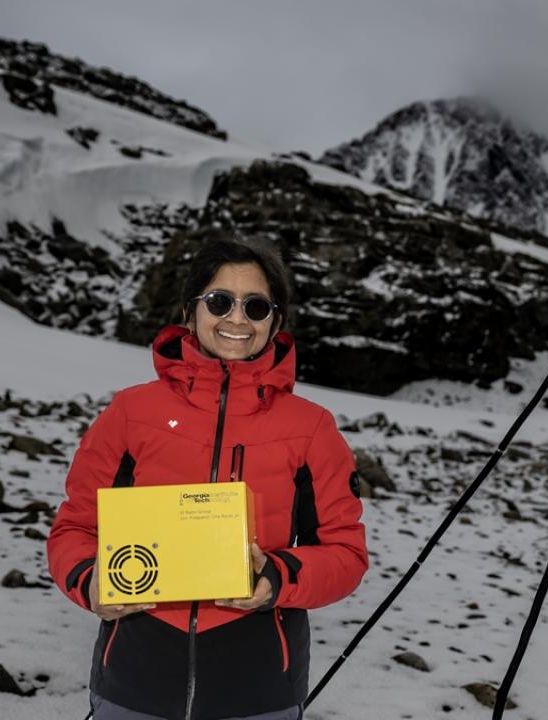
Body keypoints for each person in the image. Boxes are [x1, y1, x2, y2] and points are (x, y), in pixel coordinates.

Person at [48, 239, 369, 720]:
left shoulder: (312, 427)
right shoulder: (130, 413)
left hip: (259, 689)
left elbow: (345, 554)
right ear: (190, 310)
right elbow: (74, 528)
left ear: (275, 321)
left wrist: (276, 579)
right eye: (220, 301)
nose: (237, 319)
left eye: (256, 306)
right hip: (134, 682)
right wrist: (89, 580)